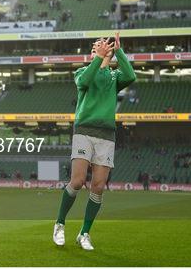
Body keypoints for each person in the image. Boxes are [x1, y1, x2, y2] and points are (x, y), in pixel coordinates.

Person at [53, 32, 136, 251]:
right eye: (96, 47)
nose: (100, 48)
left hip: (106, 135)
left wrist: (119, 51)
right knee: (78, 181)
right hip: (84, 130)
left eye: (103, 46)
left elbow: (131, 76)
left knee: (98, 187)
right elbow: (85, 80)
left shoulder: (114, 77)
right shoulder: (82, 72)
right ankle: (60, 223)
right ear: (93, 53)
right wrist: (99, 59)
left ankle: (84, 233)